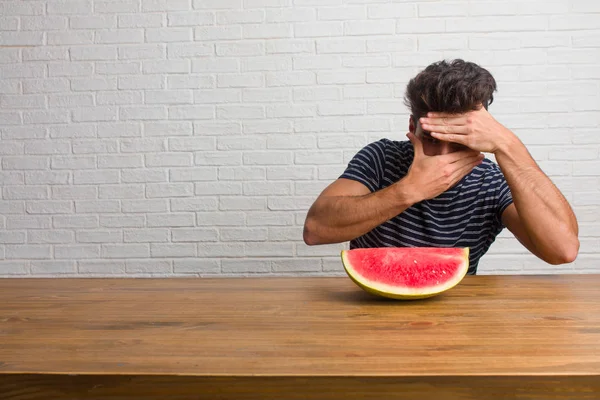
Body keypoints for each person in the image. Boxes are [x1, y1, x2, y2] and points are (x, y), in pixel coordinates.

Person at [303, 59, 579, 274]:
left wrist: (509, 145)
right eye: (433, 139)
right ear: (412, 127)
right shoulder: (382, 157)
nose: (443, 155)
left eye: (460, 141)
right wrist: (408, 190)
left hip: (456, 320)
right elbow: (315, 230)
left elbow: (563, 250)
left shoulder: (492, 182)